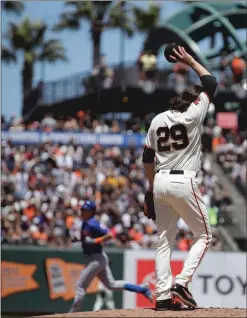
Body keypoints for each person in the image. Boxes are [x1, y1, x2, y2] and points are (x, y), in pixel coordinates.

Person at [142, 46, 217, 311]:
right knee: (205, 236)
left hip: (160, 181)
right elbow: (210, 82)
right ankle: (181, 283)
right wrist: (190, 60)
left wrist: (150, 191)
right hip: (183, 180)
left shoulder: (157, 120)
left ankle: (162, 295)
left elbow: (147, 158)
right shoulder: (194, 114)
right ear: (195, 102)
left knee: (164, 240)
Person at [69, 200, 153, 313]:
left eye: (85, 210)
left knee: (80, 285)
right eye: (82, 209)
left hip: (96, 259)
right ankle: (142, 289)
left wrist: (96, 240)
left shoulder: (93, 223)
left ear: (92, 212)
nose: (82, 211)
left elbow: (110, 234)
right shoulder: (85, 222)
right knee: (112, 285)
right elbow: (86, 238)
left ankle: (73, 313)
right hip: (96, 258)